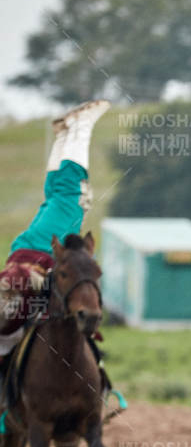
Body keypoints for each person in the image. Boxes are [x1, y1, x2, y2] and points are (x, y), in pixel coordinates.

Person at [0, 99, 113, 413]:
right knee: (60, 197)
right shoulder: (9, 327)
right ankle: (69, 131)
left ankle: (80, 126)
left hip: (38, 254)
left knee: (70, 195)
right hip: (30, 257)